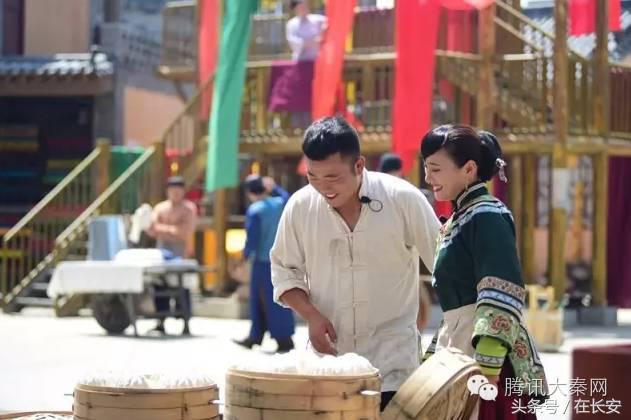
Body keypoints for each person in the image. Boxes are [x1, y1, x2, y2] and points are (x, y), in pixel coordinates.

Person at [270, 116, 440, 411]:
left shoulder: (403, 199)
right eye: (313, 176)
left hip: (393, 366)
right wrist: (310, 315)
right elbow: (284, 273)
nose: (323, 187)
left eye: (333, 177)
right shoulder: (299, 207)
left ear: (359, 166)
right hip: (329, 367)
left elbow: (446, 262)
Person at [420, 125, 548, 419]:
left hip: (487, 360)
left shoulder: (488, 215)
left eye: (436, 169)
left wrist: (488, 368)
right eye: (426, 168)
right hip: (458, 348)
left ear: (468, 169)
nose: (428, 179)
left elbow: (500, 292)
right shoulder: (459, 218)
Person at [234, 175, 296, 353]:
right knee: (282, 299)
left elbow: (252, 239)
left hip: (263, 262)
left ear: (250, 193)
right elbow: (289, 198)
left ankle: (260, 336)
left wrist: (244, 257)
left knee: (260, 300)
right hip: (283, 259)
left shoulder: (255, 210)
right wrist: (274, 187)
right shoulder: (280, 204)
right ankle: (280, 336)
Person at [377, 152, 432, 338]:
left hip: (406, 259)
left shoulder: (408, 194)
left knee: (419, 307)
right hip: (380, 262)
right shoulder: (371, 195)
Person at [145, 175, 198, 334]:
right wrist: (171, 230)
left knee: (182, 288)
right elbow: (151, 229)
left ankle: (185, 322)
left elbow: (184, 232)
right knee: (159, 285)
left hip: (180, 251)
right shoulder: (160, 208)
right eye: (172, 190)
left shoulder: (189, 208)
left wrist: (163, 228)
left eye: (178, 190)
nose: (175, 193)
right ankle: (160, 321)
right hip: (161, 250)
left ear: (183, 191)